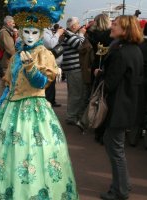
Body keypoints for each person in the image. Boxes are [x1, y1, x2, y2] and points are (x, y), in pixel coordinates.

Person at [0, 1, 79, 199]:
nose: (29, 36)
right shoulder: (17, 56)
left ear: (41, 33)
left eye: (34, 32)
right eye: (26, 32)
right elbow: (9, 87)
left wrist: (31, 68)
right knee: (5, 155)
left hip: (35, 110)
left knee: (33, 153)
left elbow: (41, 83)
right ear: (20, 30)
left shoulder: (44, 54)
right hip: (10, 110)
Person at [96, 15, 144, 200]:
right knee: (117, 149)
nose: (111, 26)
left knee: (115, 150)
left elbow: (110, 83)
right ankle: (123, 184)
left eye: (115, 25)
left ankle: (120, 191)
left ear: (125, 30)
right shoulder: (135, 50)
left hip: (118, 108)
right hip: (128, 106)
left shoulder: (122, 52)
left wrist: (100, 74)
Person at [87, 13, 113, 144]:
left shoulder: (92, 34)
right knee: (103, 99)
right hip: (103, 68)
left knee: (96, 97)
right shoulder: (108, 35)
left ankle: (95, 123)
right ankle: (100, 129)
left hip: (95, 66)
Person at [61, 17, 86, 130]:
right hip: (73, 68)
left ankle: (72, 115)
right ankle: (71, 117)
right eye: (78, 24)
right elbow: (81, 46)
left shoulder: (68, 35)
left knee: (75, 93)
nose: (80, 26)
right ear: (73, 26)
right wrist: (81, 34)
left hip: (72, 68)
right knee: (76, 94)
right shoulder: (69, 35)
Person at [43, 24, 64, 107]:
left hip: (52, 63)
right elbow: (50, 44)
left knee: (52, 83)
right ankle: (48, 102)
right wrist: (58, 33)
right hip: (47, 63)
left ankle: (51, 100)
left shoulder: (47, 30)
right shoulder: (43, 31)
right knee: (48, 84)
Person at [0, 16, 16, 96]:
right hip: (6, 63)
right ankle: (1, 105)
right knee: (5, 85)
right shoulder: (5, 33)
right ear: (8, 23)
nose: (14, 25)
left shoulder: (5, 32)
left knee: (4, 85)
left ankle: (0, 105)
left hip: (6, 62)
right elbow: (10, 49)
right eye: (13, 23)